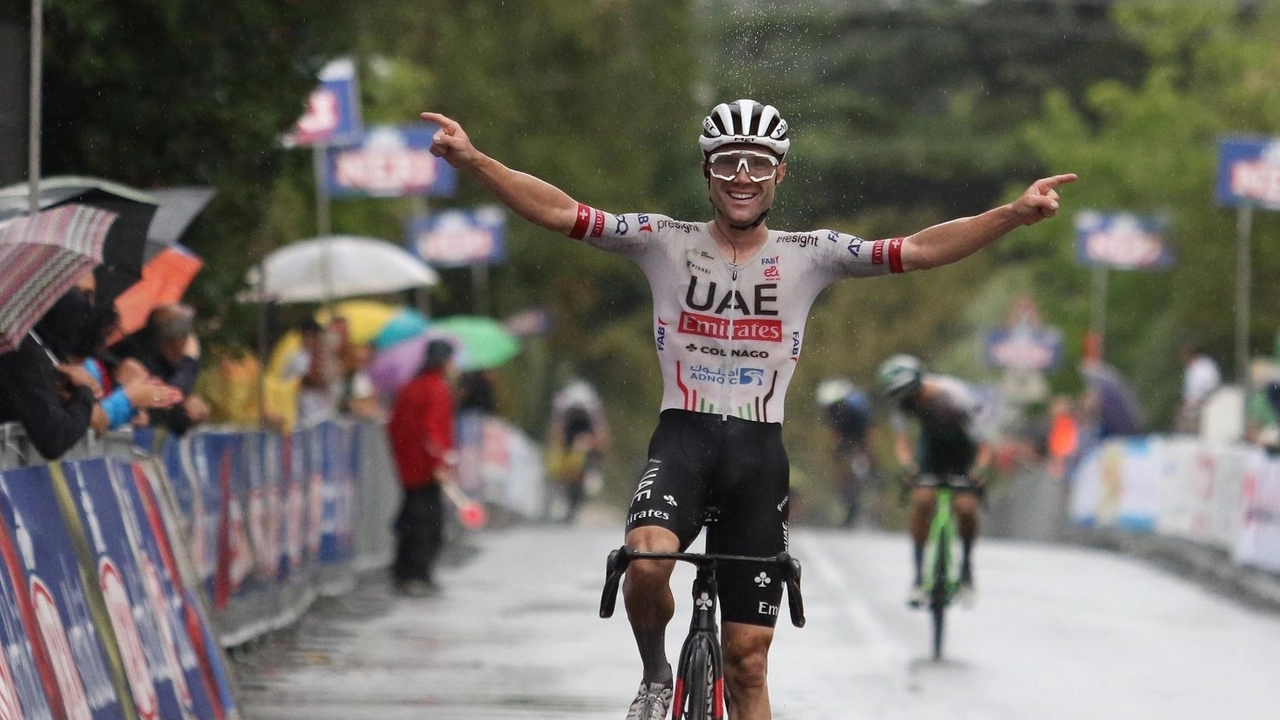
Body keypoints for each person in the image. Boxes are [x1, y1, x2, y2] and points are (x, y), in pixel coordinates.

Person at [421, 99, 1074, 720]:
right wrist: (476, 161)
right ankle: (655, 675)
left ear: (779, 173)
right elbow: (563, 213)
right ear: (706, 171)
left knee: (747, 662)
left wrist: (1012, 215)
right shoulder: (660, 239)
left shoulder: (810, 254)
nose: (743, 175)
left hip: (758, 457)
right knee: (645, 563)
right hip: (681, 440)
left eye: (758, 162)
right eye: (728, 160)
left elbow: (919, 249)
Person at [877, 354, 992, 609]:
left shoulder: (955, 396)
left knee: (965, 508)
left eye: (911, 395)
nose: (909, 402)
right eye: (902, 397)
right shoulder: (903, 402)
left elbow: (984, 444)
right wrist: (908, 466)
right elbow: (903, 441)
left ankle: (966, 569)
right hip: (931, 450)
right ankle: (918, 578)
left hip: (964, 451)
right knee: (922, 500)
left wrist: (979, 470)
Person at [387, 339, 459, 595]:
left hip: (408, 466)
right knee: (428, 523)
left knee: (409, 517)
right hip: (427, 469)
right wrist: (439, 462)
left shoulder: (409, 387)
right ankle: (418, 571)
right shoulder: (436, 388)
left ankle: (402, 569)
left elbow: (395, 425)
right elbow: (433, 429)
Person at [116, 303, 210, 435]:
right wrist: (189, 363)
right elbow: (168, 400)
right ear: (174, 341)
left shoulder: (164, 364)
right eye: (185, 337)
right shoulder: (140, 362)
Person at [545, 379, 611, 524]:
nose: (577, 412)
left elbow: (602, 437)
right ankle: (559, 493)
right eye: (575, 410)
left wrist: (593, 448)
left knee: (588, 456)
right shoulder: (562, 407)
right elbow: (555, 432)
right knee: (560, 463)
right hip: (569, 434)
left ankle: (592, 473)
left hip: (585, 435)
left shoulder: (592, 410)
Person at [815, 378, 877, 527]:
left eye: (836, 406)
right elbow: (835, 432)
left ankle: (870, 493)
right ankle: (844, 494)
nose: (833, 410)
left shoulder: (859, 407)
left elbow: (869, 432)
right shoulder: (831, 411)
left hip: (861, 431)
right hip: (844, 432)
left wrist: (867, 453)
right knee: (839, 463)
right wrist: (836, 453)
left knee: (866, 462)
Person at [1175, 343, 1221, 434]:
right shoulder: (1189, 371)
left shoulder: (1204, 367)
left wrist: (1198, 403)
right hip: (1192, 408)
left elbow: (1213, 387)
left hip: (1205, 406)